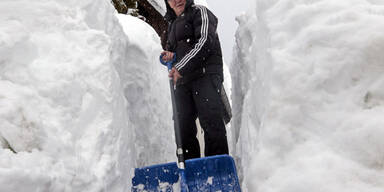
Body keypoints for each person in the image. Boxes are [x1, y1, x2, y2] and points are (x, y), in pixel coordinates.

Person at [161, 0, 229, 160]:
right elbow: (173, 53)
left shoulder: (200, 12)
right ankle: (191, 172)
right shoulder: (171, 26)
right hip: (184, 82)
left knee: (211, 121)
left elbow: (205, 41)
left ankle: (217, 170)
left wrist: (181, 67)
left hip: (205, 75)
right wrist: (169, 56)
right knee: (182, 127)